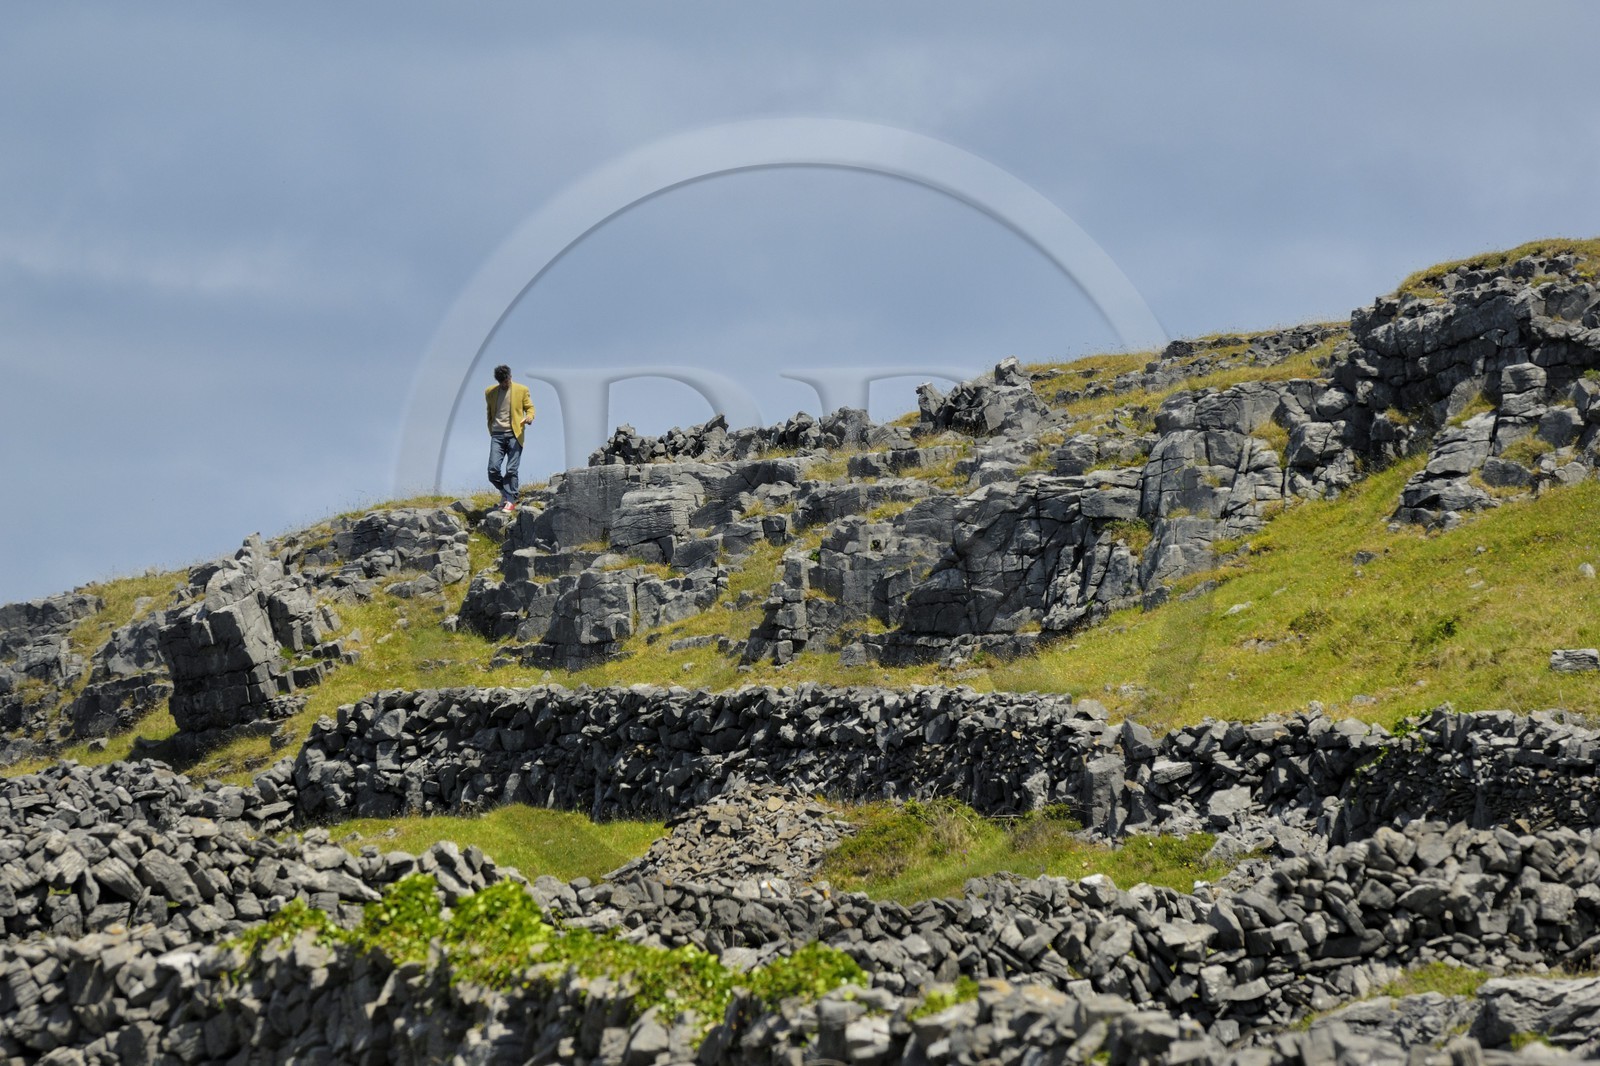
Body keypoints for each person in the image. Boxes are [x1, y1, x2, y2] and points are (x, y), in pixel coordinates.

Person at [485, 365, 535, 512]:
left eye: (506, 381)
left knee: (511, 469)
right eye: (502, 382)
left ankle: (511, 500)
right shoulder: (490, 392)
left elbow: (530, 408)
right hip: (497, 435)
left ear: (510, 377)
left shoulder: (522, 389)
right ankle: (506, 493)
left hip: (515, 434)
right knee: (492, 470)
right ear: (498, 381)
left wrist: (529, 417)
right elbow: (489, 412)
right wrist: (492, 429)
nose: (505, 384)